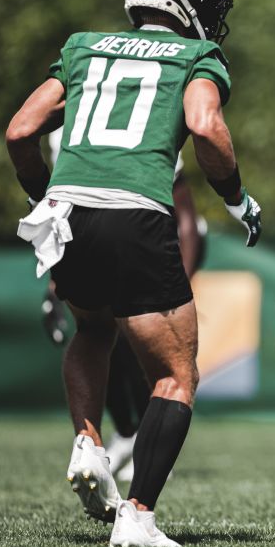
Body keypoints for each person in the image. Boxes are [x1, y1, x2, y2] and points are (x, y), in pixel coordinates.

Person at [7, 0, 262, 547]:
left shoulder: (82, 47)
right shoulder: (196, 53)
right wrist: (236, 198)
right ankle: (139, 516)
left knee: (93, 330)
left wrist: (46, 199)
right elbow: (205, 125)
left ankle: (89, 441)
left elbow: (20, 131)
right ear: (192, 0)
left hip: (70, 213)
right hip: (136, 214)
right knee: (175, 376)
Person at [40, 151, 209, 482]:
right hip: (106, 235)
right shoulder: (70, 128)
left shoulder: (132, 117)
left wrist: (182, 283)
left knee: (136, 345)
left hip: (149, 241)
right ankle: (126, 439)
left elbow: (186, 218)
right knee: (104, 337)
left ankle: (134, 443)